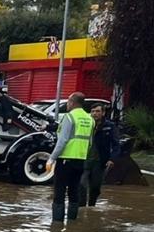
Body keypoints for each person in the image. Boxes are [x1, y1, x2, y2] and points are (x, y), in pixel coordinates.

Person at [46, 92, 94, 223]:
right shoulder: (90, 119)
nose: (67, 104)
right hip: (80, 161)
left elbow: (62, 141)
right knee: (74, 192)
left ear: (72, 103)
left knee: (59, 194)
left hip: (65, 160)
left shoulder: (70, 117)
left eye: (68, 102)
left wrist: (52, 158)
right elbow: (89, 142)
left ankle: (56, 226)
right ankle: (72, 222)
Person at [80, 103, 122, 207]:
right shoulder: (86, 124)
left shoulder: (109, 126)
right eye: (93, 111)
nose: (95, 114)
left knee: (95, 187)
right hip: (84, 159)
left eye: (97, 111)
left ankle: (91, 206)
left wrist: (112, 159)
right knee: (81, 185)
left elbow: (116, 144)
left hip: (99, 162)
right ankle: (80, 207)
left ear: (103, 113)